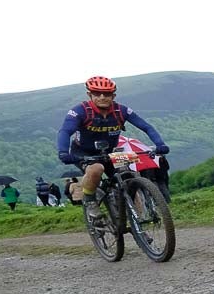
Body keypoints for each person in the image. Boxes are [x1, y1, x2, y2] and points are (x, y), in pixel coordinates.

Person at [56, 76, 169, 223]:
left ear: (113, 96)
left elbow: (146, 126)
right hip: (84, 152)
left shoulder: (121, 111)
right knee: (96, 169)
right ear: (89, 95)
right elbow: (65, 131)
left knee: (128, 177)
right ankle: (90, 201)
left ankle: (138, 221)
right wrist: (63, 152)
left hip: (110, 151)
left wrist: (160, 144)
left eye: (107, 94)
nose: (102, 97)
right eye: (97, 93)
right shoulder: (80, 111)